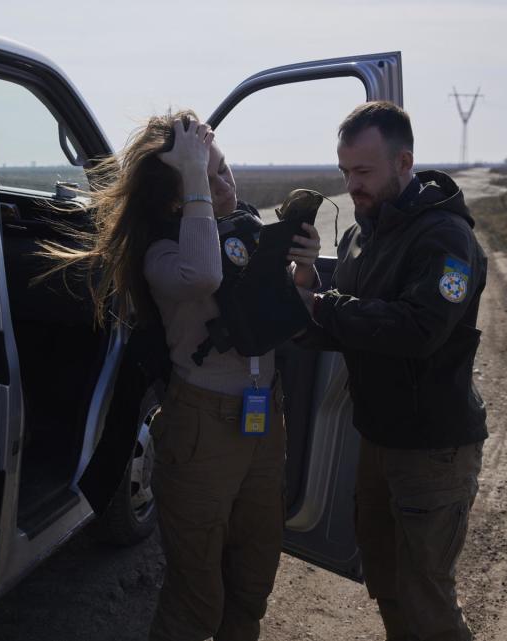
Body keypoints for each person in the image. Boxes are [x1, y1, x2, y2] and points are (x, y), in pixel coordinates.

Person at [41, 110, 321, 641]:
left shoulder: (241, 235)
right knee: (196, 602)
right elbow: (204, 274)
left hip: (264, 425)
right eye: (207, 175)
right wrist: (192, 174)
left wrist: (302, 272)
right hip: (203, 430)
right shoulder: (164, 255)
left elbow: (285, 324)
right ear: (178, 197)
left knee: (252, 583)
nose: (225, 182)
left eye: (224, 168)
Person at [296, 101, 488, 641]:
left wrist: (324, 307)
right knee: (386, 583)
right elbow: (345, 324)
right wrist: (301, 300)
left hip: (432, 450)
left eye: (363, 172)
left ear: (403, 162)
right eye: (345, 173)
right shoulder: (364, 233)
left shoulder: (446, 239)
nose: (352, 185)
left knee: (427, 600)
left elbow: (419, 329)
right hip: (379, 442)